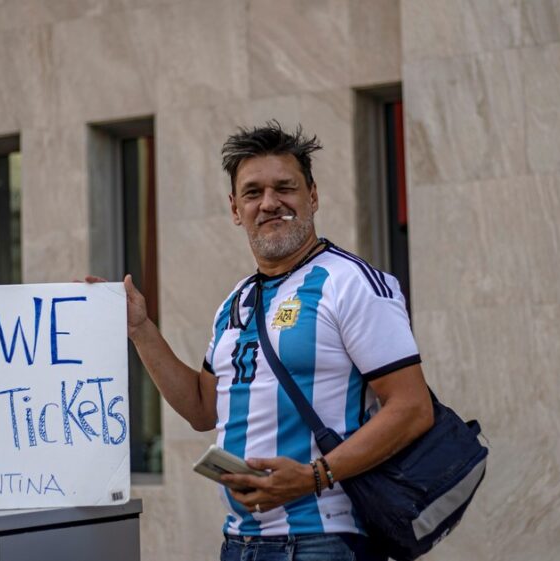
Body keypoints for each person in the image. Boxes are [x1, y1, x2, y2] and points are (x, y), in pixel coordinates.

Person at [91, 121, 434, 561]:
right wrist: (140, 329)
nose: (269, 203)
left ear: (313, 196)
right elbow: (202, 409)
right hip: (240, 543)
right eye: (253, 193)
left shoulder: (352, 283)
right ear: (236, 209)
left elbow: (412, 408)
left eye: (284, 188)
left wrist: (314, 476)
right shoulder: (236, 301)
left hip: (325, 542)